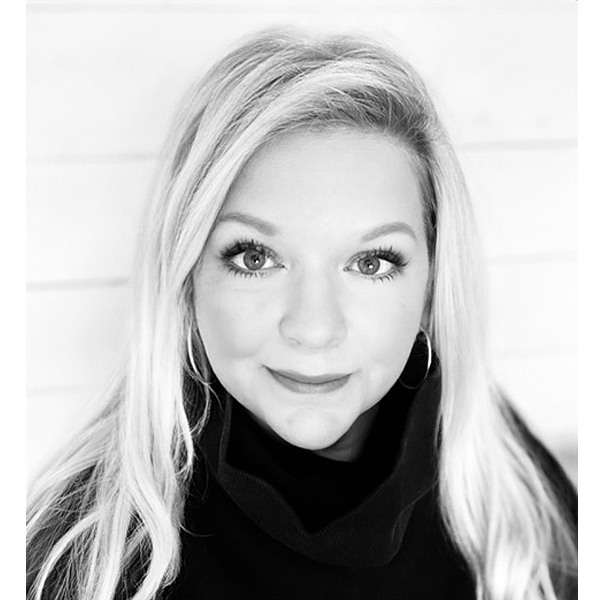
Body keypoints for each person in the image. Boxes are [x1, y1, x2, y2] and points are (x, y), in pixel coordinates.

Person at [26, 28, 577, 600]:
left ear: (433, 283)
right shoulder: (80, 556)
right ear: (187, 276)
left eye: (371, 262)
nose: (314, 330)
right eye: (256, 257)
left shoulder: (506, 485)